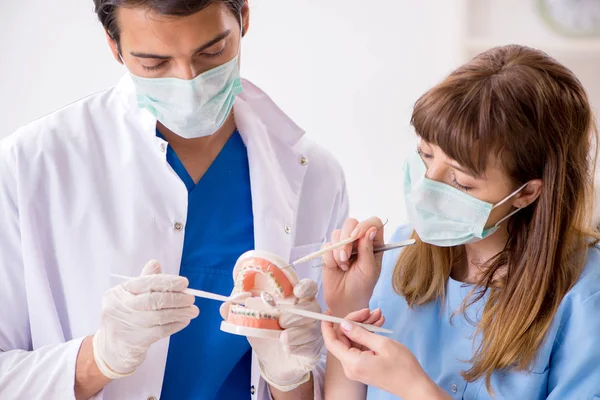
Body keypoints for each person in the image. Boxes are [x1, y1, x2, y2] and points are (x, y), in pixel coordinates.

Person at [0, 1, 348, 399]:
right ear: (114, 47)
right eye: (154, 63)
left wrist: (289, 377)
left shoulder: (314, 174)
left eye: (212, 52)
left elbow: (328, 383)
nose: (189, 80)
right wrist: (97, 359)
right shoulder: (28, 167)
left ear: (244, 18)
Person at [320, 45, 600, 399]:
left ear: (526, 193)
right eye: (425, 155)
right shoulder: (396, 257)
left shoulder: (585, 297)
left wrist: (416, 389)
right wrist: (346, 308)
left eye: (461, 181)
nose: (426, 187)